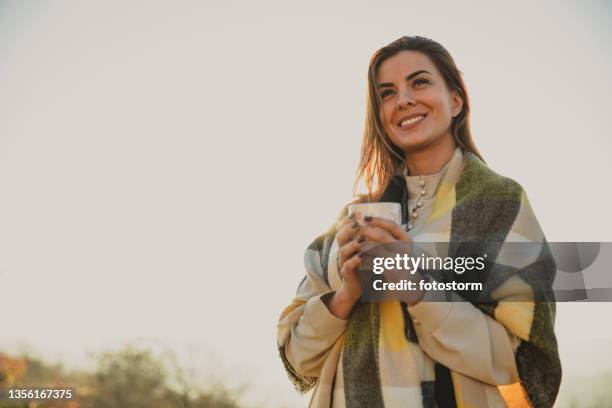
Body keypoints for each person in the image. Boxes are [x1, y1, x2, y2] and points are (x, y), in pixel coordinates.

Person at [276, 36, 561, 408]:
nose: (404, 100)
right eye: (387, 93)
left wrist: (417, 289)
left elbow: (523, 362)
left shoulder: (499, 204)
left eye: (420, 82)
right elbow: (298, 359)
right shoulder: (348, 224)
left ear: (456, 100)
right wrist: (345, 296)